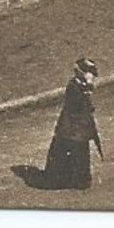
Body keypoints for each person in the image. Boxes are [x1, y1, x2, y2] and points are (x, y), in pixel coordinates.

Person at [44, 58, 101, 190]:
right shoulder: (74, 87)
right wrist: (87, 90)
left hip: (76, 129)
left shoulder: (80, 86)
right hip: (72, 128)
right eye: (88, 72)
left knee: (78, 153)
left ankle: (75, 179)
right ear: (79, 72)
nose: (91, 75)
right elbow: (78, 106)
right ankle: (64, 179)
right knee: (72, 152)